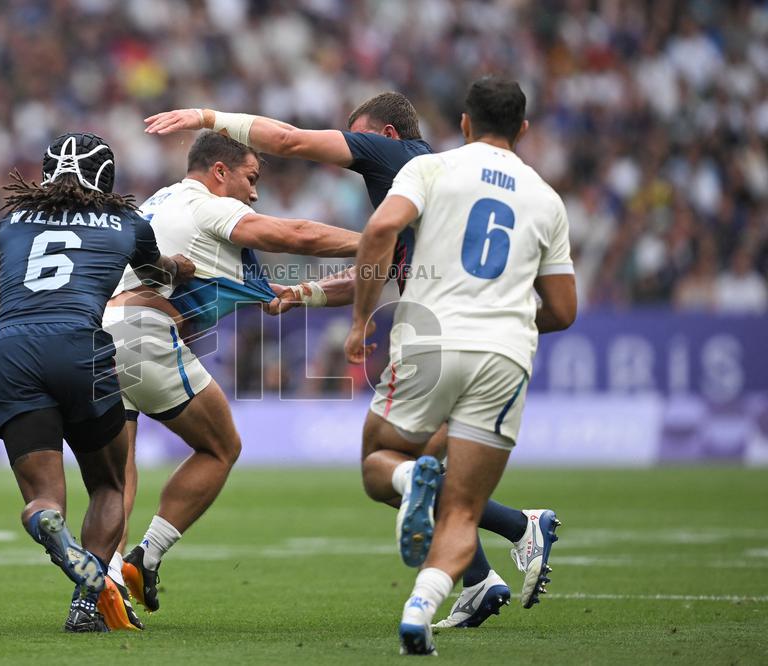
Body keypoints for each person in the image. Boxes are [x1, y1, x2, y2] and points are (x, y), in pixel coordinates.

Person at [145, 92, 557, 627]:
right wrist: (304, 296)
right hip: (486, 342)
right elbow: (377, 273)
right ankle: (489, 567)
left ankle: (516, 535)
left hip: (441, 336)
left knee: (388, 463)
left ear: (383, 137)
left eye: (358, 138)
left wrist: (208, 117)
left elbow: (291, 142)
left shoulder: (399, 159)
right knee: (415, 467)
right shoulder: (435, 188)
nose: (353, 158)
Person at [343, 76, 576, 655]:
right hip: (504, 356)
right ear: (522, 130)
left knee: (380, 460)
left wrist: (359, 321)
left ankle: (412, 481)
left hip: (433, 341)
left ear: (465, 122)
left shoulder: (432, 168)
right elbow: (564, 310)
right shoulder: (546, 198)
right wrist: (509, 318)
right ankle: (421, 609)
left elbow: (379, 229)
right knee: (463, 506)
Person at [102, 130, 360, 613]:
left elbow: (298, 292)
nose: (255, 193)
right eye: (250, 177)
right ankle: (148, 555)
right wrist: (377, 240)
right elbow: (297, 235)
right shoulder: (208, 207)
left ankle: (110, 577)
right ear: (219, 172)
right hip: (146, 332)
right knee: (222, 446)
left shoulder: (160, 202)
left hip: (102, 333)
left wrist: (328, 285)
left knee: (118, 472)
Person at [0, 132, 194, 633]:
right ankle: (86, 603)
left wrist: (26, 321)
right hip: (80, 350)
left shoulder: (10, 225)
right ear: (108, 178)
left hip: (11, 353)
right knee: (109, 483)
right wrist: (180, 265)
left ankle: (46, 520)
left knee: (45, 497)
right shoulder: (129, 223)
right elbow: (156, 276)